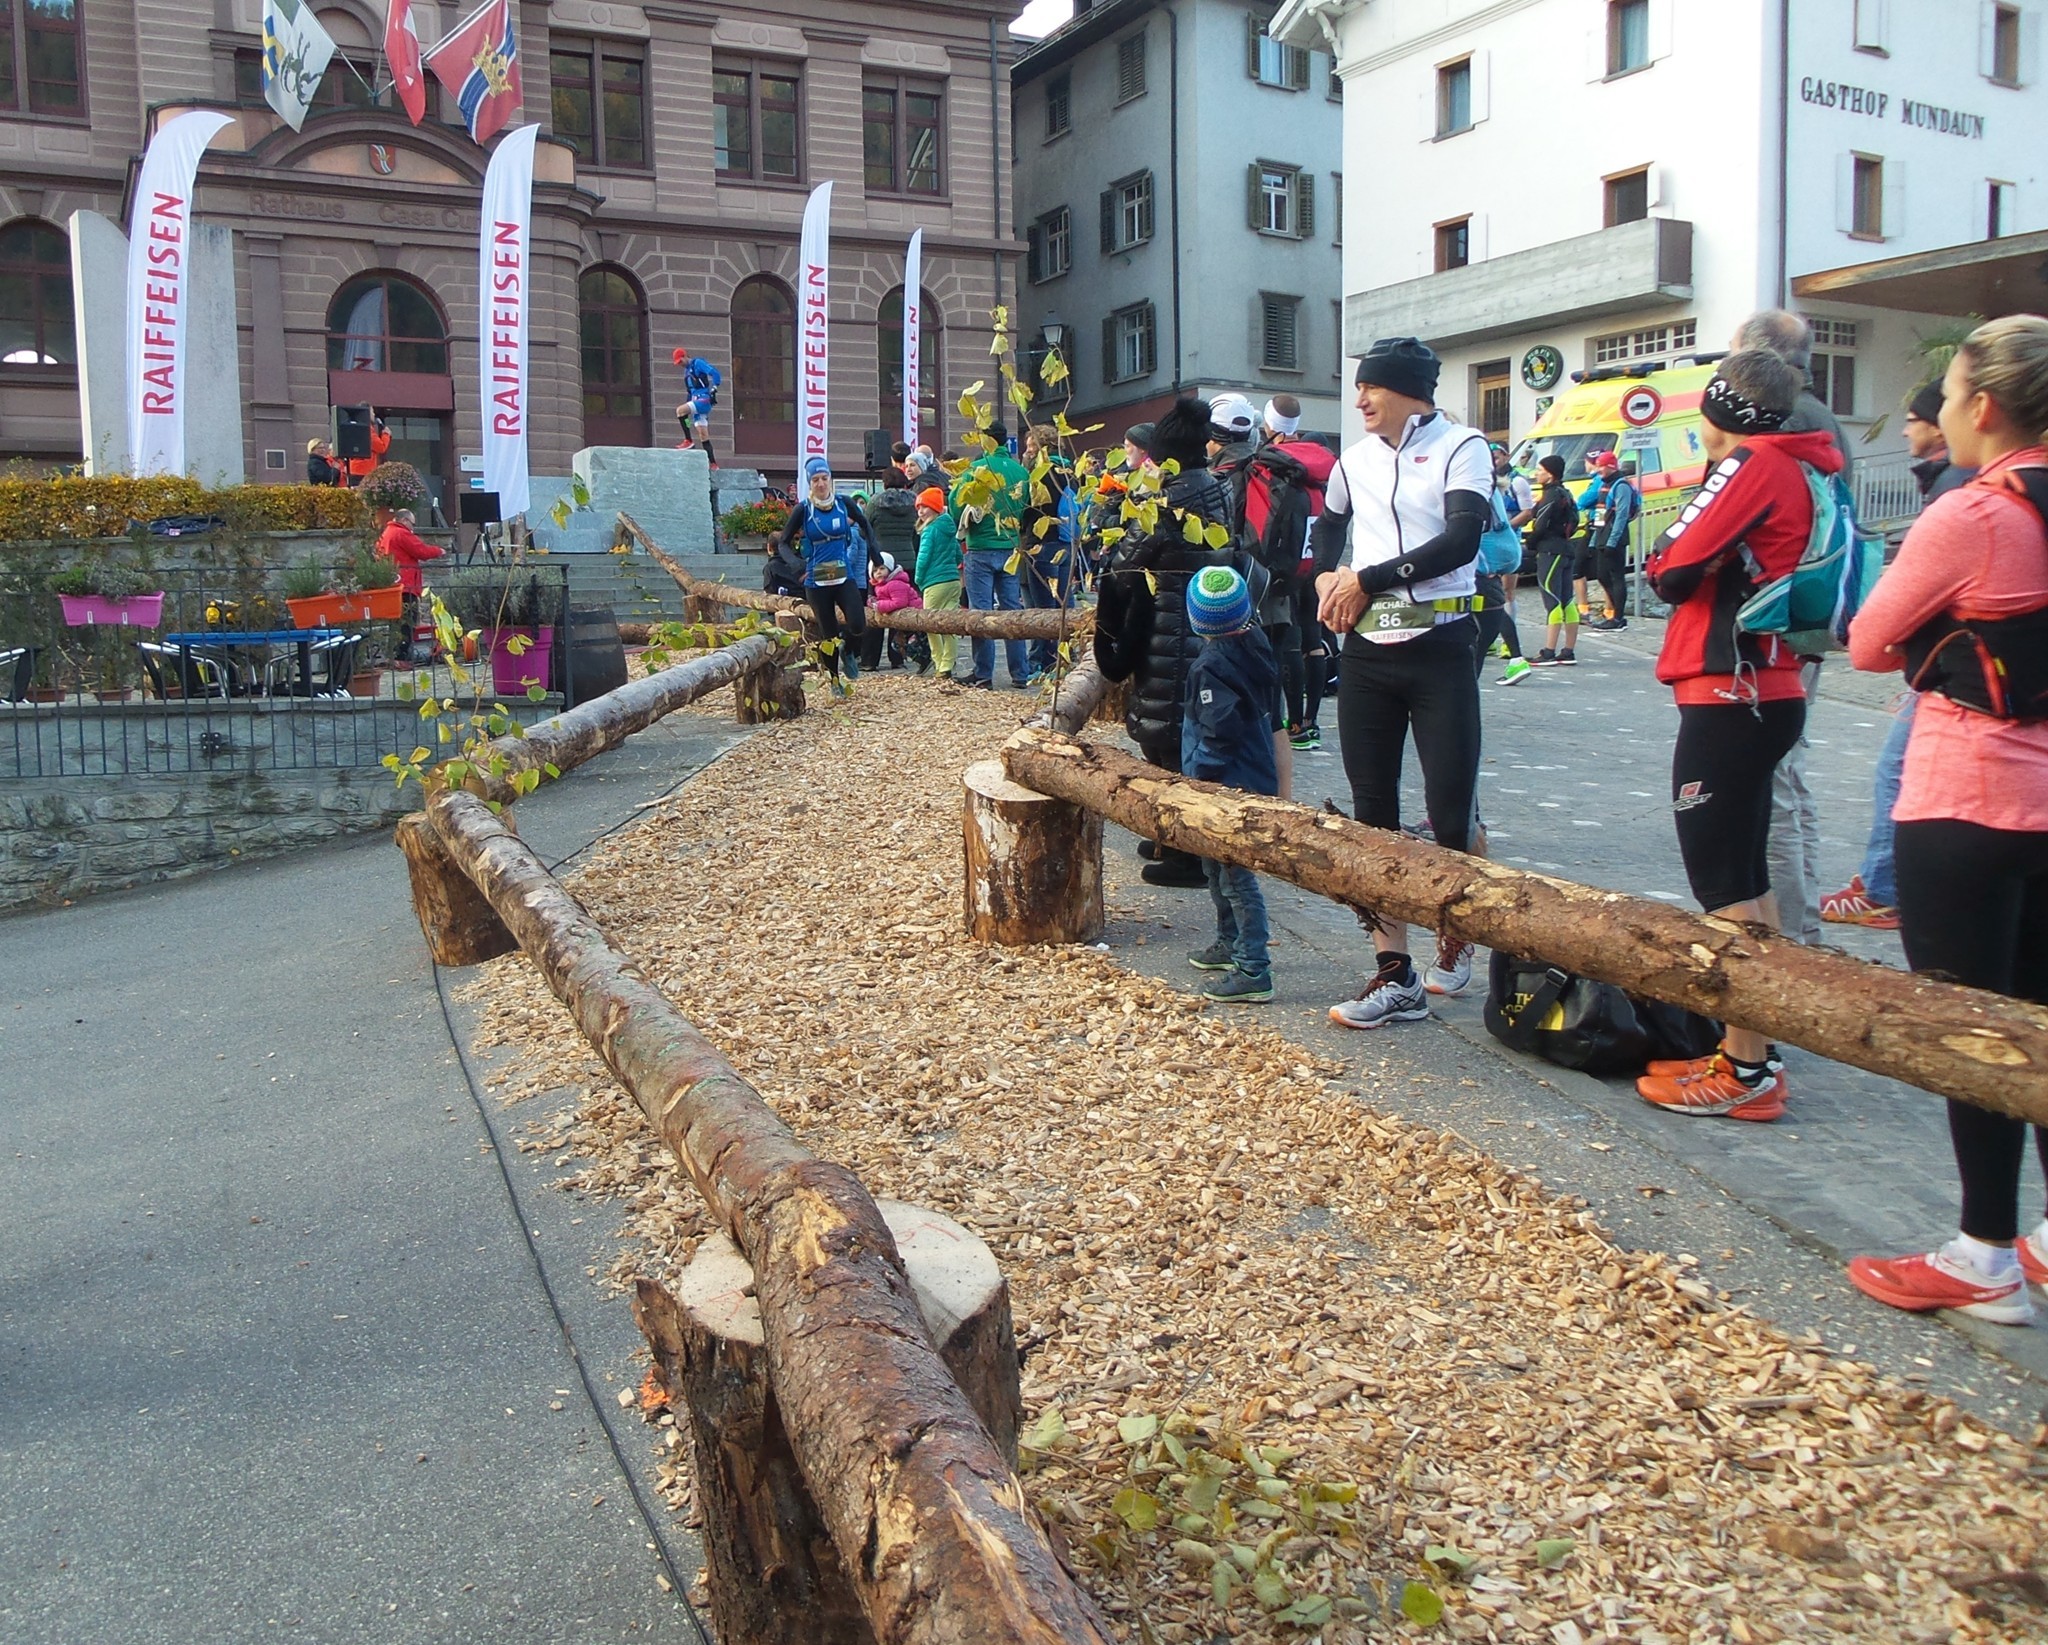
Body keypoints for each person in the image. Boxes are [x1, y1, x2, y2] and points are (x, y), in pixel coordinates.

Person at [1842, 315, 2048, 1325]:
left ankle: (1982, 1255)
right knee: (2044, 1024)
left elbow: (1868, 640)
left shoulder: (1973, 514)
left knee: (1973, 1037)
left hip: (1964, 802)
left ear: (1981, 406)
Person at [1632, 349, 1840, 1120]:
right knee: (1749, 880)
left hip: (1730, 689)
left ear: (1718, 406)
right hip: (1769, 686)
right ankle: (1756, 1047)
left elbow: (1670, 568)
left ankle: (1745, 1070)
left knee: (1721, 887)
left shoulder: (1752, 462)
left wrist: (1674, 558)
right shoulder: (1803, 461)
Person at [1310, 336, 1493, 1024]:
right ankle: (1394, 973)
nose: (1359, 400)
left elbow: (1462, 540)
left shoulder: (1461, 445)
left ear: (1410, 391)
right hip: (1366, 651)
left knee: (1451, 812)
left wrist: (1369, 577)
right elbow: (1327, 528)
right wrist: (1329, 574)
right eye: (1358, 388)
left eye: (1371, 388)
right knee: (1372, 814)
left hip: (1441, 643)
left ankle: (1460, 933)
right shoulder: (1351, 458)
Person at [1822, 380, 1976, 930]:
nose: (1906, 427)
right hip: (1969, 671)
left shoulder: (1960, 493)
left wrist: (1899, 651)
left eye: (1915, 417)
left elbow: (1878, 632)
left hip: (1953, 672)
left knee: (1897, 769)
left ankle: (1885, 888)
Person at [1732, 310, 1853, 949]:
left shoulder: (1779, 426)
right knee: (1789, 776)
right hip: (1805, 629)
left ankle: (1783, 946)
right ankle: (1802, 929)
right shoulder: (1823, 421)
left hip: (1770, 634)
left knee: (1768, 787)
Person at [1094, 396, 1240, 888]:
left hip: (1168, 629)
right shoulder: (1217, 488)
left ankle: (1185, 853)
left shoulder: (1167, 498)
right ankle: (1171, 838)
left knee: (1167, 740)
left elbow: (1125, 565)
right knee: (1187, 735)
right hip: (1204, 624)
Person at [1180, 565, 1281, 1002]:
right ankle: (1229, 940)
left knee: (1236, 877)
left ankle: (1253, 966)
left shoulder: (1211, 667)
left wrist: (1199, 776)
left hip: (1226, 786)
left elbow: (1219, 731)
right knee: (1214, 869)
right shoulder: (1254, 644)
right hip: (1247, 774)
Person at [1208, 392, 1295, 796]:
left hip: (1236, 606)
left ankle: (1238, 804)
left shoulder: (1222, 476)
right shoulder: (1271, 465)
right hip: (1276, 600)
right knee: (1271, 710)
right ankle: (1284, 799)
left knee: (1229, 708)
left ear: (1214, 436)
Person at [775, 457, 880, 695]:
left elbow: (865, 523)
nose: (821, 484)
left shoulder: (843, 503)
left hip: (844, 576)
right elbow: (783, 543)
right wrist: (797, 565)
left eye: (824, 478)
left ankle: (849, 651)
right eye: (815, 480)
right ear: (809, 483)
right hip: (816, 580)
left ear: (830, 479)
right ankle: (834, 681)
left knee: (858, 623)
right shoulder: (804, 509)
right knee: (828, 633)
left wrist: (876, 553)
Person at [950, 421, 1032, 689]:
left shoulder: (977, 469)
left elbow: (955, 503)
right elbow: (1029, 508)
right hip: (1010, 547)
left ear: (987, 441)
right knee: (1012, 612)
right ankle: (1020, 674)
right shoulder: (1021, 471)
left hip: (981, 548)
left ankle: (983, 674)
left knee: (980, 613)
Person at [1020, 423, 1079, 680]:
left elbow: (1028, 507)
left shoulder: (1040, 472)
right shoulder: (1069, 470)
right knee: (1063, 604)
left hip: (1040, 542)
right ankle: (1066, 658)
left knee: (1041, 608)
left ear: (1041, 447)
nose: (1028, 451)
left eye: (1031, 447)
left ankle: (1042, 663)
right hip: (1067, 542)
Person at [1526, 454, 1581, 665]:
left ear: (1550, 474)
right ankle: (1568, 651)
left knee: (1552, 599)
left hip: (1550, 551)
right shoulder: (1565, 493)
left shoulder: (1550, 495)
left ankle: (1548, 651)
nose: (1536, 473)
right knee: (1567, 599)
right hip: (1567, 549)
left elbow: (1540, 524)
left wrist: (1531, 543)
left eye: (1540, 470)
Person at [376, 505, 443, 663]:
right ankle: (402, 657)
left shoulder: (386, 533)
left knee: (397, 623)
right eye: (412, 524)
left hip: (394, 584)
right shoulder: (401, 533)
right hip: (406, 585)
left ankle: (397, 655)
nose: (413, 528)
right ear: (404, 520)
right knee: (407, 622)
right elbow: (421, 551)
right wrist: (439, 551)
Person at [1582, 451, 1638, 628]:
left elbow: (1621, 515)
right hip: (1602, 535)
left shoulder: (1621, 485)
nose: (1597, 469)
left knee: (1616, 577)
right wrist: (1593, 540)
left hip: (1615, 537)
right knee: (1602, 576)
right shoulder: (1604, 484)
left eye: (1600, 466)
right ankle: (1615, 615)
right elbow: (1599, 511)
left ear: (1610, 466)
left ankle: (1618, 618)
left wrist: (1612, 542)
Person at [913, 485, 963, 678]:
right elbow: (958, 555)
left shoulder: (930, 531)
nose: (920, 511)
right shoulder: (950, 528)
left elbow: (923, 557)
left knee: (930, 625)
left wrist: (918, 578)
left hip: (933, 583)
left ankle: (938, 662)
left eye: (924, 507)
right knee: (949, 625)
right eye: (918, 508)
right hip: (952, 581)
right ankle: (947, 664)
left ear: (934, 508)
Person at [862, 551, 923, 671]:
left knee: (897, 635)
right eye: (874, 571)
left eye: (881, 568)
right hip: (894, 611)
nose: (878, 572)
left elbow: (899, 602)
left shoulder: (895, 584)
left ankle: (898, 659)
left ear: (890, 569)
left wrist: (878, 605)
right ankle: (879, 660)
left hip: (908, 613)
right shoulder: (880, 585)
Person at [345, 412, 391, 485]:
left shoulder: (356, 428)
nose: (374, 414)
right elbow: (381, 447)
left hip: (355, 469)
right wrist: (386, 434)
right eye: (372, 412)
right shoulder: (367, 430)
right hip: (364, 470)